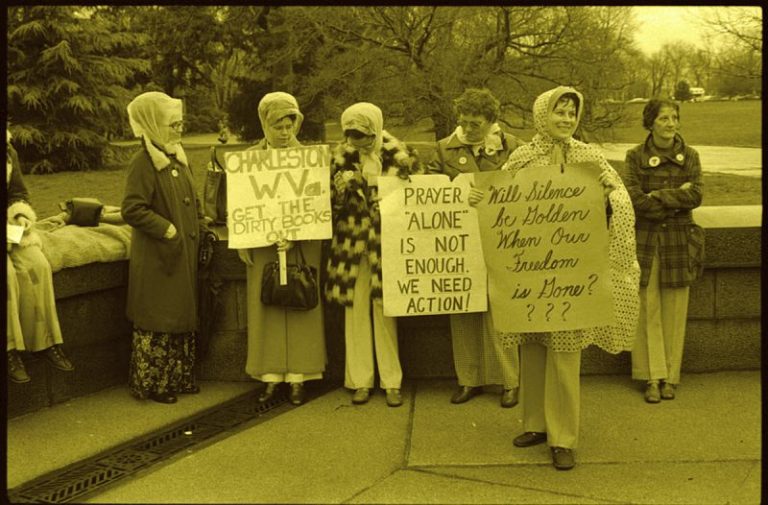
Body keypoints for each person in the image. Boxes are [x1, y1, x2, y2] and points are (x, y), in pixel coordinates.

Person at [499, 86, 639, 470]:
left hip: (572, 272)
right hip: (532, 268)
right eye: (559, 111)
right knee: (532, 347)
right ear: (543, 113)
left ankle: (563, 437)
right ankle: (536, 424)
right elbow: (498, 202)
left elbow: (621, 200)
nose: (566, 119)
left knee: (564, 353)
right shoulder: (522, 157)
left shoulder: (589, 156)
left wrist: (612, 195)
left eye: (571, 113)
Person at [428, 88, 523, 408]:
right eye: (464, 122)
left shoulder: (511, 146)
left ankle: (510, 380)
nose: (468, 129)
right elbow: (428, 194)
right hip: (461, 242)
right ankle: (469, 379)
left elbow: (529, 186)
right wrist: (457, 195)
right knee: (464, 310)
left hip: (502, 238)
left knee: (503, 312)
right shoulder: (443, 149)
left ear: (491, 122)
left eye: (476, 123)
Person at [325, 102, 423, 407]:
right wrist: (340, 190)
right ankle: (360, 380)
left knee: (386, 310)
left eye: (363, 137)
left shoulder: (401, 155)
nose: (356, 142)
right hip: (351, 243)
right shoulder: (339, 158)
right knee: (354, 311)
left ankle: (391, 380)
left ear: (376, 131)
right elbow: (324, 205)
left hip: (388, 243)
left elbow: (422, 197)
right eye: (351, 136)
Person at [237, 92, 326, 406]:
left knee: (301, 305)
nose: (285, 132)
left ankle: (300, 376)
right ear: (265, 124)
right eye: (278, 126)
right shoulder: (248, 160)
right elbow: (241, 206)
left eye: (290, 125)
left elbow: (316, 206)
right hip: (263, 244)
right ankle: (271, 376)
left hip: (302, 246)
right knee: (266, 307)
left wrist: (297, 235)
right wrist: (244, 241)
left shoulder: (310, 159)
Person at [121, 91, 202, 404]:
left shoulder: (176, 156)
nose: (179, 129)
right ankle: (155, 383)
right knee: (160, 320)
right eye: (173, 124)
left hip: (181, 255)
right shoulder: (143, 162)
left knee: (180, 318)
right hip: (159, 258)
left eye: (181, 123)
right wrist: (167, 230)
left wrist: (201, 224)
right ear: (154, 124)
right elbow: (132, 208)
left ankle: (178, 378)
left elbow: (193, 199)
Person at [621, 98, 704, 404]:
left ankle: (670, 376)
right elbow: (632, 199)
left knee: (674, 307)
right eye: (664, 118)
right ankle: (650, 377)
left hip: (679, 242)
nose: (671, 124)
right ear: (651, 122)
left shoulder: (691, 155)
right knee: (646, 307)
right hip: (645, 241)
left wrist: (656, 195)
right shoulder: (634, 157)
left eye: (674, 118)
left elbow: (696, 195)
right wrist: (673, 199)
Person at [7, 128, 75, 383]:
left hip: (8, 230)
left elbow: (17, 194)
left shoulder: (7, 148)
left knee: (38, 265)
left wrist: (20, 215)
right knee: (8, 275)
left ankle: (44, 341)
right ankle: (10, 349)